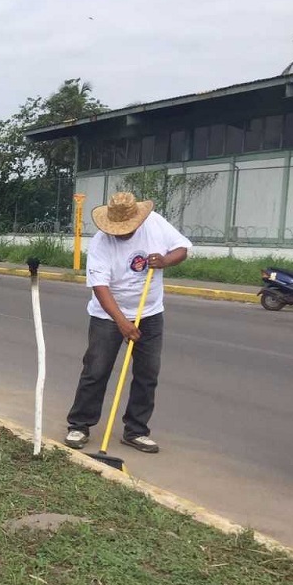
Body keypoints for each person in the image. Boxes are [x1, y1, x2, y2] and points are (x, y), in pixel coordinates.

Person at [64, 191, 191, 454]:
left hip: (149, 313)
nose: (121, 233)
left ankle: (136, 430)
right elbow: (100, 287)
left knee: (147, 373)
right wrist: (122, 322)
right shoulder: (101, 243)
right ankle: (79, 425)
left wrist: (165, 261)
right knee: (96, 369)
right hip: (108, 315)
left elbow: (182, 248)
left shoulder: (155, 223)